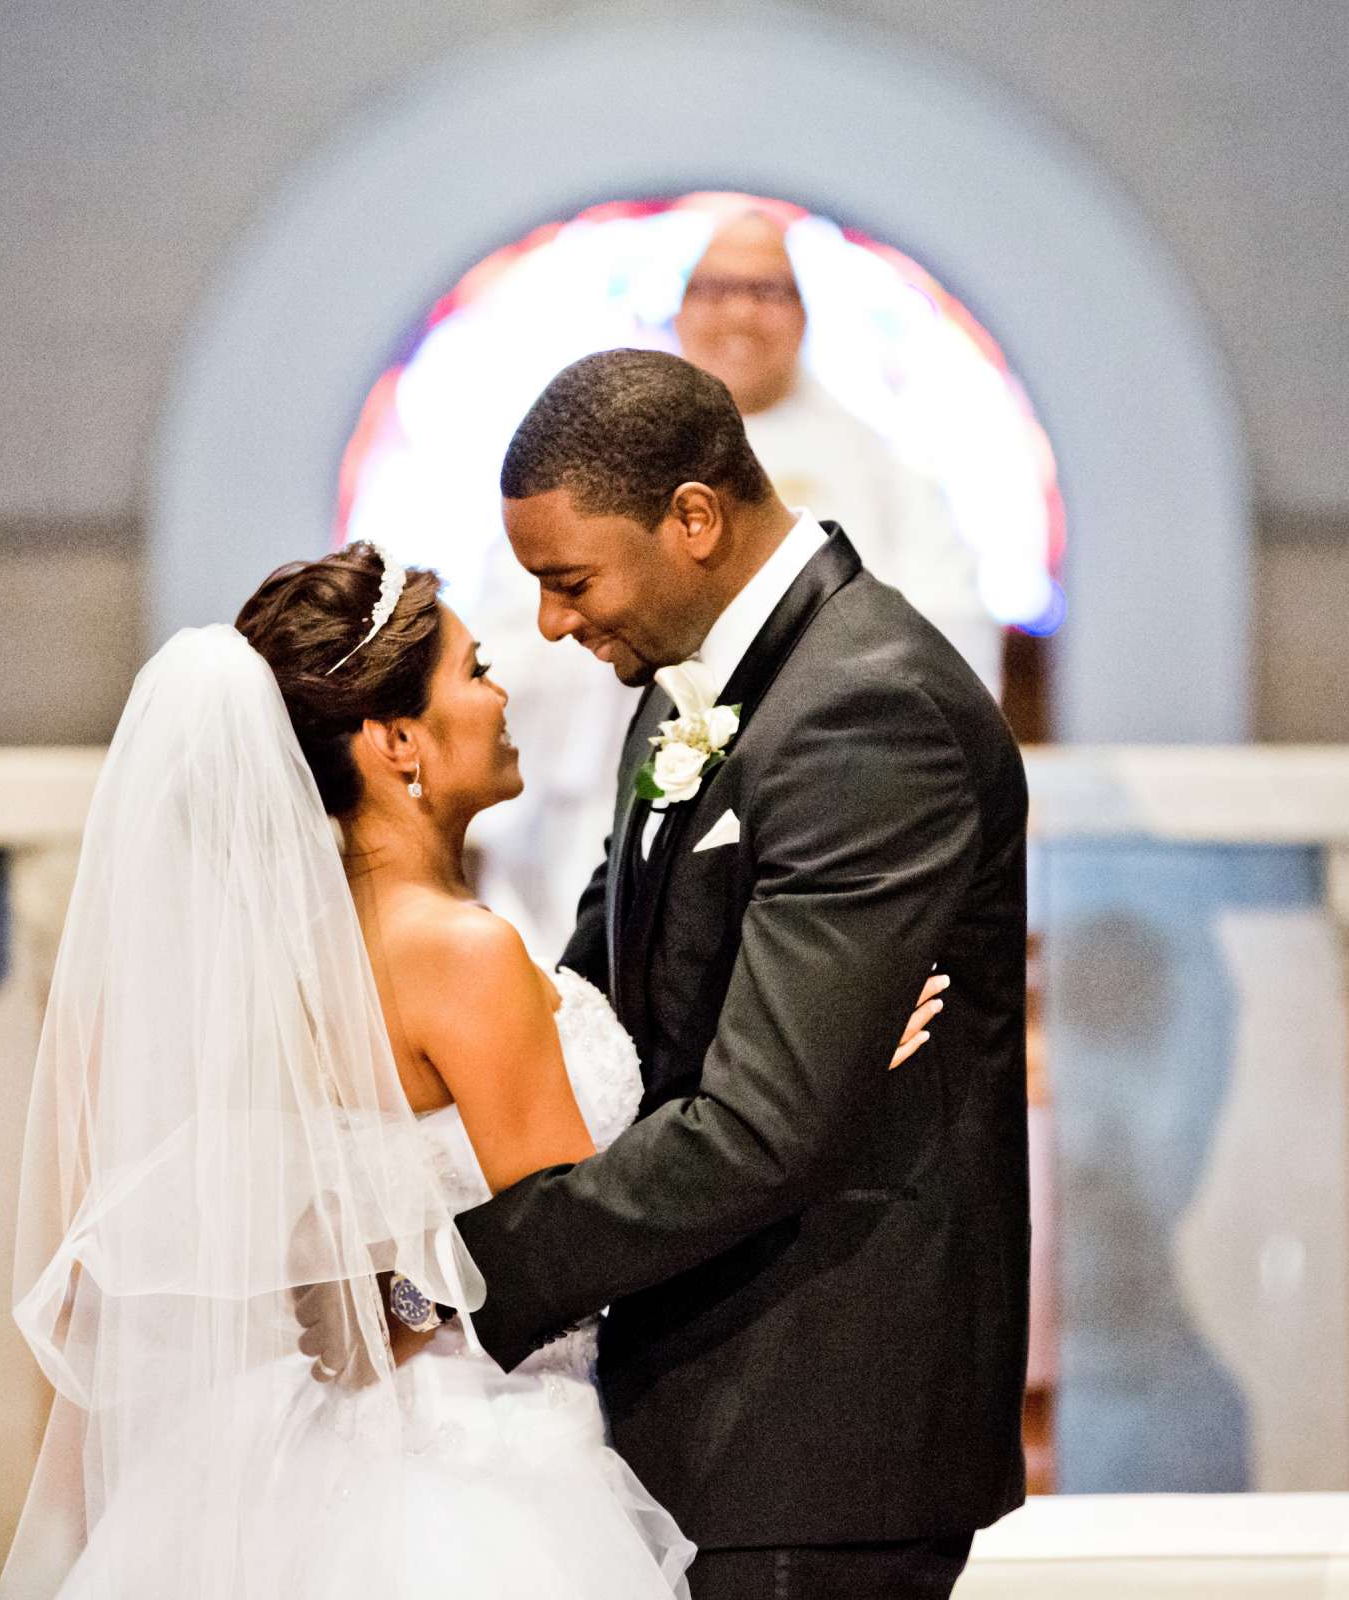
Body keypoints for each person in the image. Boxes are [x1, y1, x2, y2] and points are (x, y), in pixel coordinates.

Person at [0, 545, 943, 1599]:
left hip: (350, 1441)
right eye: (476, 669)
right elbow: (593, 1241)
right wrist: (826, 1082)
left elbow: (379, 1274)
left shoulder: (314, 950)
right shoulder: (459, 951)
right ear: (397, 739)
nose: (504, 695)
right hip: (489, 1465)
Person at [440, 349, 1032, 1600]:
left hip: (823, 1419)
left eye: (569, 579)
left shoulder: (868, 707)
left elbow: (768, 1122)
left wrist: (460, 1271)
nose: (550, 622)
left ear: (693, 519)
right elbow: (596, 1005)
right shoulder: (680, 695)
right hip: (697, 1393)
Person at [676, 212, 1005, 690]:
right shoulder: (620, 462)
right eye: (717, 290)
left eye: (766, 292)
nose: (740, 314)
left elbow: (951, 617)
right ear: (679, 312)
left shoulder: (884, 464)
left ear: (803, 316)